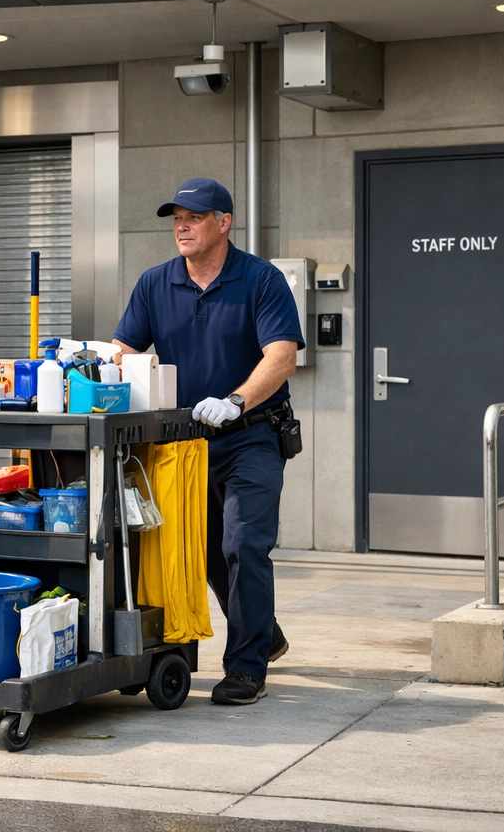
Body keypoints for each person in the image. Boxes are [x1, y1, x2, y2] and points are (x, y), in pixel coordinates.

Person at [109, 178, 303, 705]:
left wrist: (236, 401)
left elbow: (281, 356)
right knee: (204, 552)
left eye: (194, 217)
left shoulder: (260, 280)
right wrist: (94, 371)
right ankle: (264, 631)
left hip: (251, 436)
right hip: (184, 444)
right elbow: (122, 351)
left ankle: (245, 668)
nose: (182, 226)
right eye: (176, 218)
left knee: (243, 544)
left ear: (224, 222)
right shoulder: (155, 284)